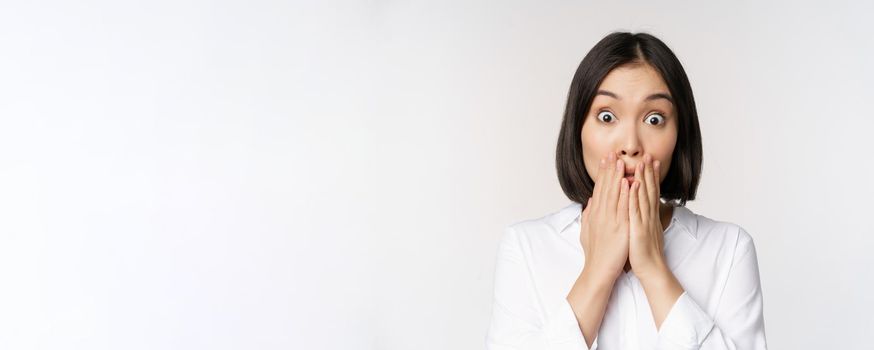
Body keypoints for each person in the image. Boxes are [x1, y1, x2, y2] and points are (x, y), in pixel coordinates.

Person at [485, 32, 767, 349]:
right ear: (578, 129)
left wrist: (653, 268)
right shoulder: (526, 247)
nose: (630, 145)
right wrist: (598, 271)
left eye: (654, 118)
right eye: (607, 117)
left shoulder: (729, 249)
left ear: (679, 135)